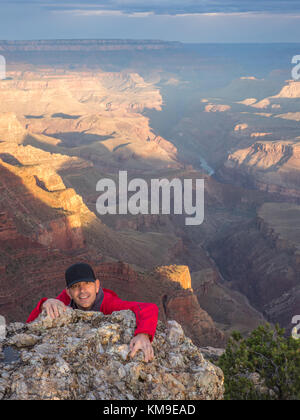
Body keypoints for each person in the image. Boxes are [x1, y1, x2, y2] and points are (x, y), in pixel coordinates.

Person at [27, 263, 158, 363]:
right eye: (75, 286)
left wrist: (143, 334)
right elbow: (28, 324)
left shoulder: (109, 304)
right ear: (68, 292)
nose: (82, 290)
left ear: (96, 285)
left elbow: (149, 308)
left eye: (87, 284)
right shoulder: (64, 299)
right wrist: (44, 304)